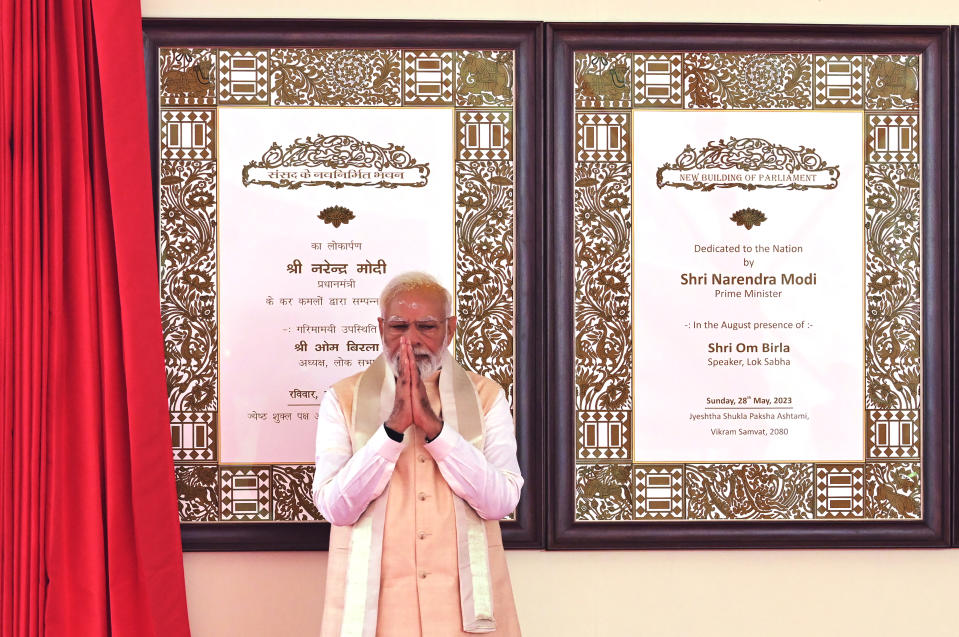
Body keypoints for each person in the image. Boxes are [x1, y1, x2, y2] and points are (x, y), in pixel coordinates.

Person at [312, 271, 523, 637]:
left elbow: (500, 502)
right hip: (377, 617)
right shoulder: (342, 399)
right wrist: (392, 430)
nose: (411, 340)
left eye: (426, 326)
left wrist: (437, 432)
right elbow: (335, 507)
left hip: (463, 613)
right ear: (381, 328)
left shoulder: (488, 397)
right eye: (399, 327)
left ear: (450, 328)